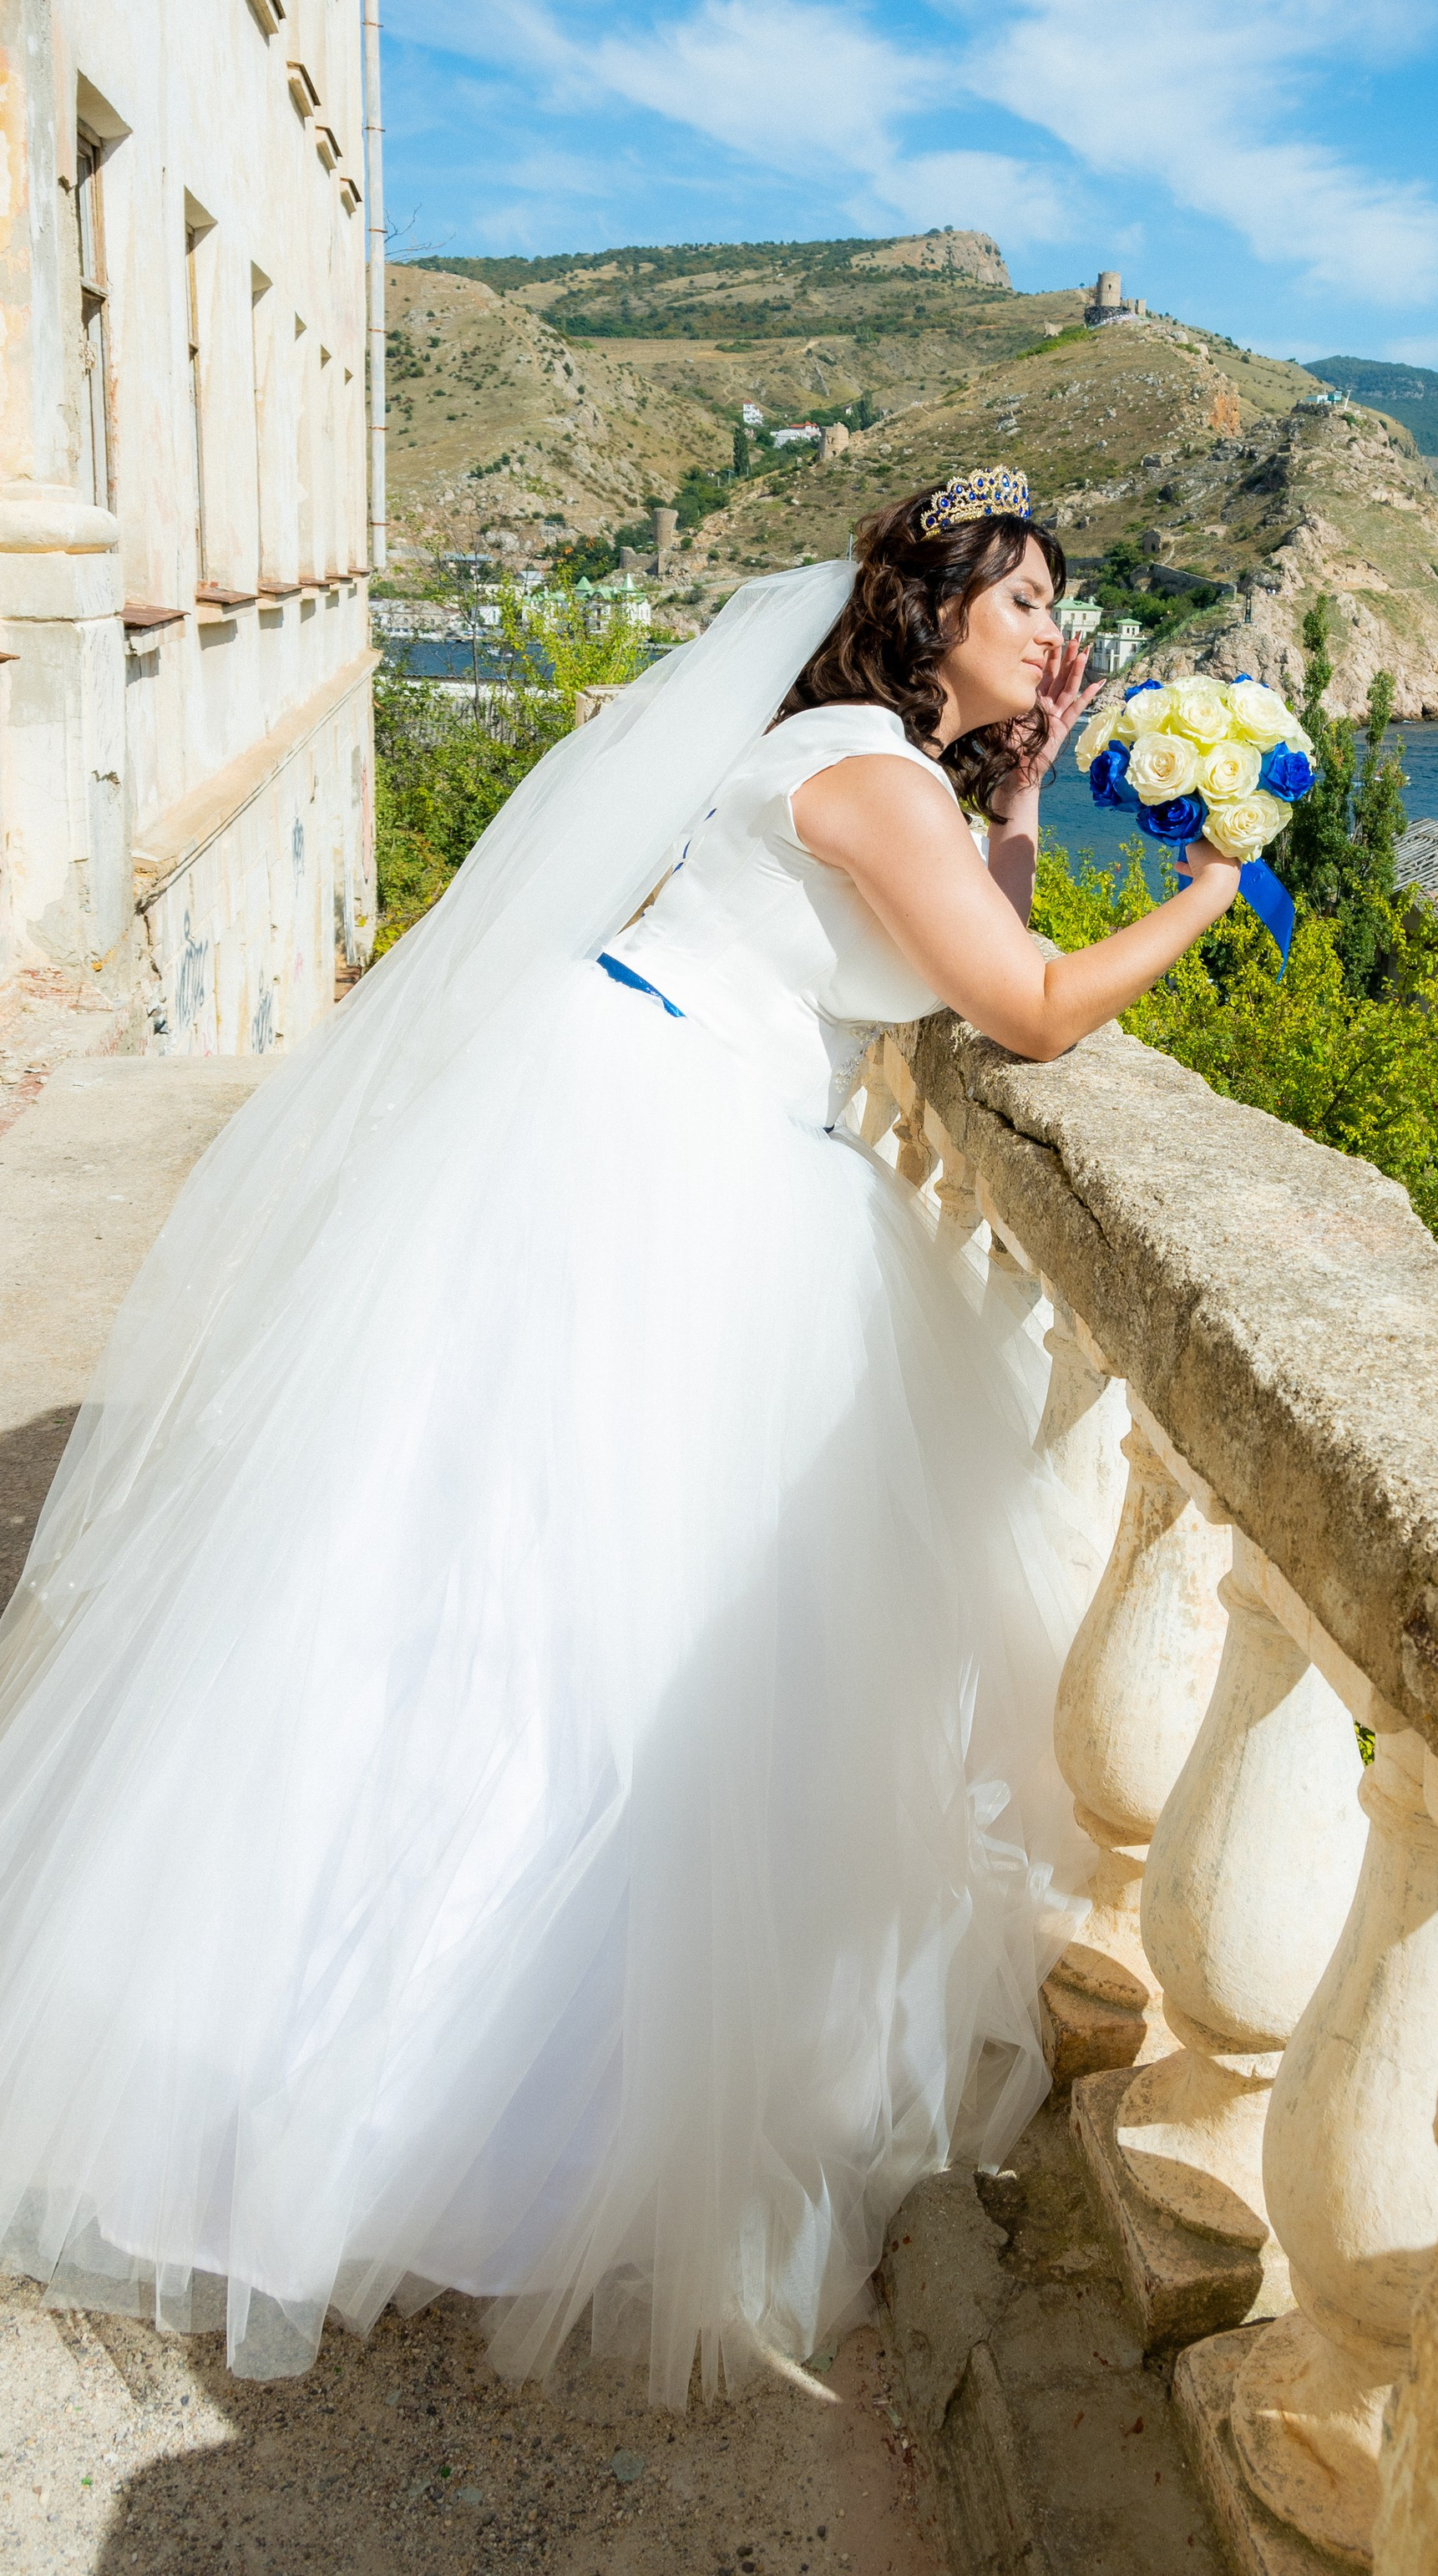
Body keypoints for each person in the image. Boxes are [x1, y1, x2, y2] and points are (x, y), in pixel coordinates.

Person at [0, 470, 1241, 2406]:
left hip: (672, 1117)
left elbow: (958, 947)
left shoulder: (881, 770)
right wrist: (1208, 883)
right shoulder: (854, 776)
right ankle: (437, 2093)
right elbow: (1032, 1012)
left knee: (572, 1592)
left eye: (1060, 602)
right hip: (657, 1152)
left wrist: (1021, 791)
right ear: (926, 621)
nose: (1050, 632)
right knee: (575, 1618)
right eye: (1020, 604)